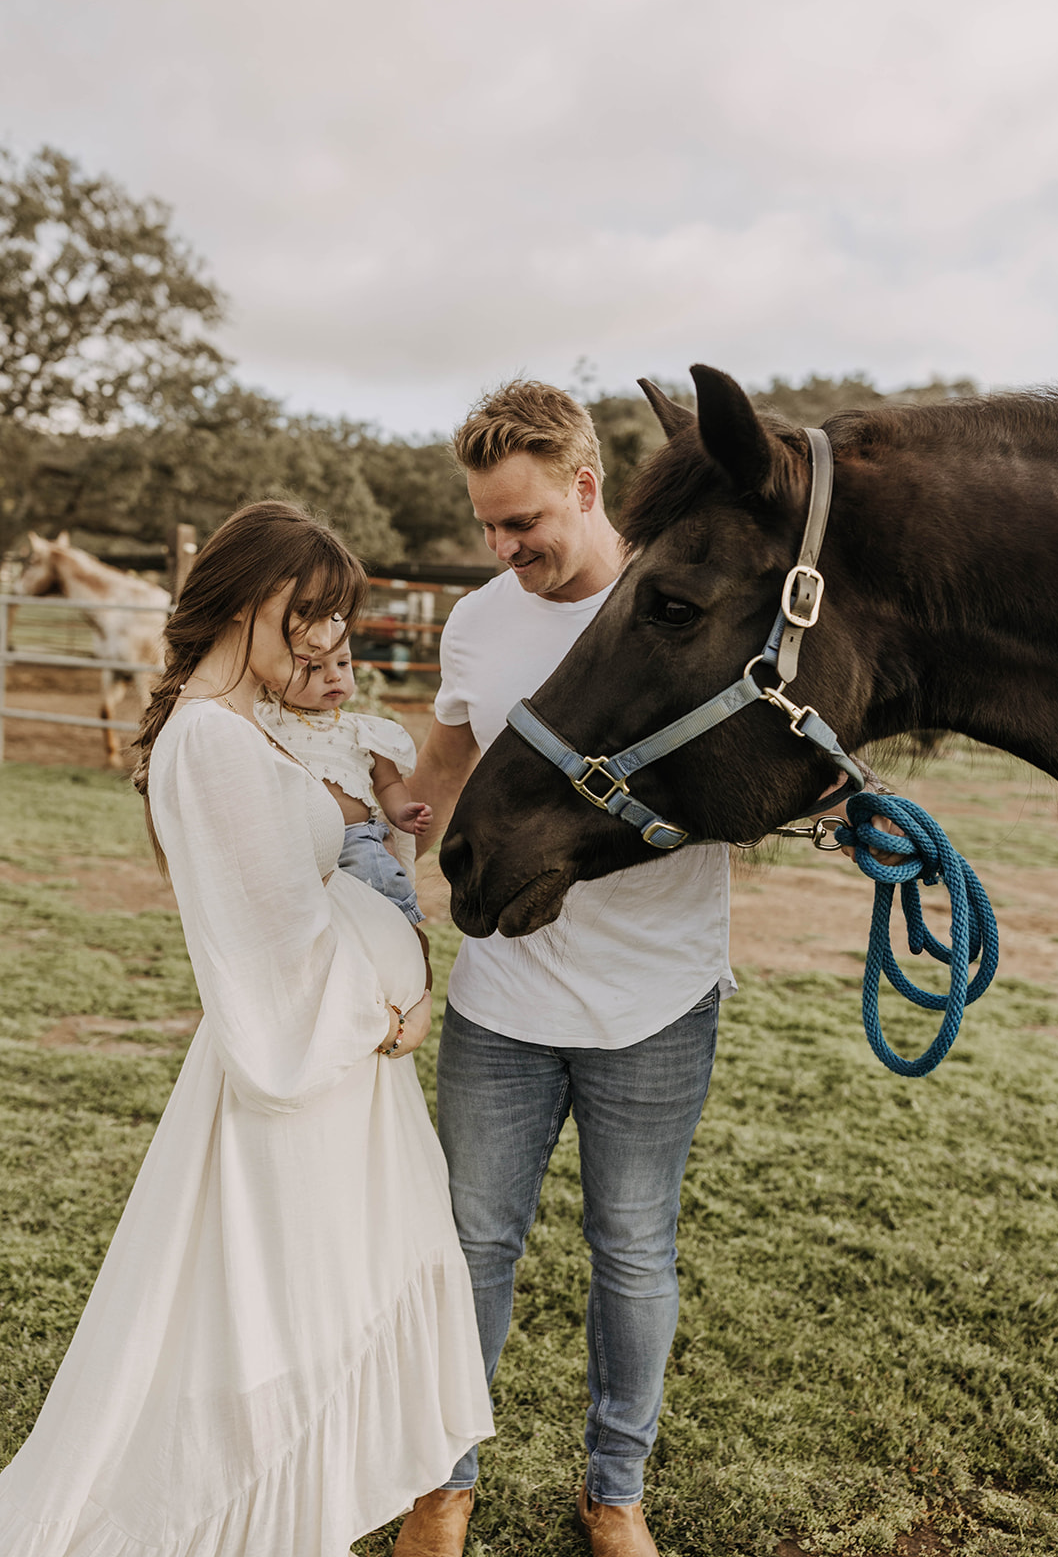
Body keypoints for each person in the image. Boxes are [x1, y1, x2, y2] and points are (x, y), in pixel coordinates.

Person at [0, 500, 492, 1556]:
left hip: (337, 1079)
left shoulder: (245, 728)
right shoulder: (213, 745)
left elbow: (327, 884)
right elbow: (275, 947)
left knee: (300, 1319)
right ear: (240, 600)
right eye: (305, 611)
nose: (322, 638)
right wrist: (395, 1004)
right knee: (271, 1324)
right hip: (301, 1080)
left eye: (333, 615)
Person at [395, 381, 729, 1557]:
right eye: (486, 524)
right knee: (472, 1243)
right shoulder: (480, 620)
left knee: (632, 1248)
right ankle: (442, 1480)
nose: (502, 546)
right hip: (503, 997)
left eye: (522, 520)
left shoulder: (690, 606)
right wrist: (374, 850)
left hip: (658, 996)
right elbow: (439, 757)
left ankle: (614, 1488)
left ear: (586, 488)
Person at [256, 635, 432, 928]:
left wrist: (401, 811)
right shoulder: (264, 722)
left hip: (353, 838)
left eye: (343, 663)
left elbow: (387, 784)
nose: (335, 675)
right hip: (289, 841)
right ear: (275, 678)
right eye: (314, 668)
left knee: (379, 879)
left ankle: (400, 936)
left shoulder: (363, 730)